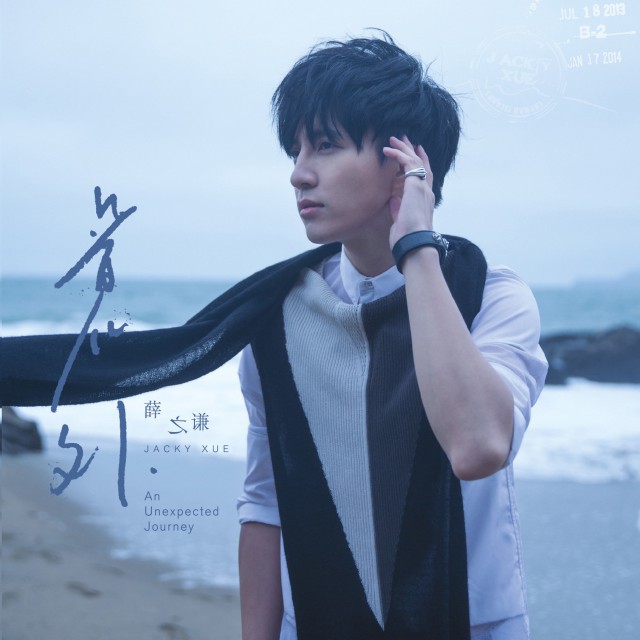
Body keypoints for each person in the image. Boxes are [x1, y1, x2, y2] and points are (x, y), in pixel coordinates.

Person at [236, 32, 547, 640]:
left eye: (325, 145)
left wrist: (416, 248)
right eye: (296, 150)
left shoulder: (490, 295)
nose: (299, 174)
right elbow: (265, 502)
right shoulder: (280, 316)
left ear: (406, 161)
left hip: (473, 624)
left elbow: (477, 447)